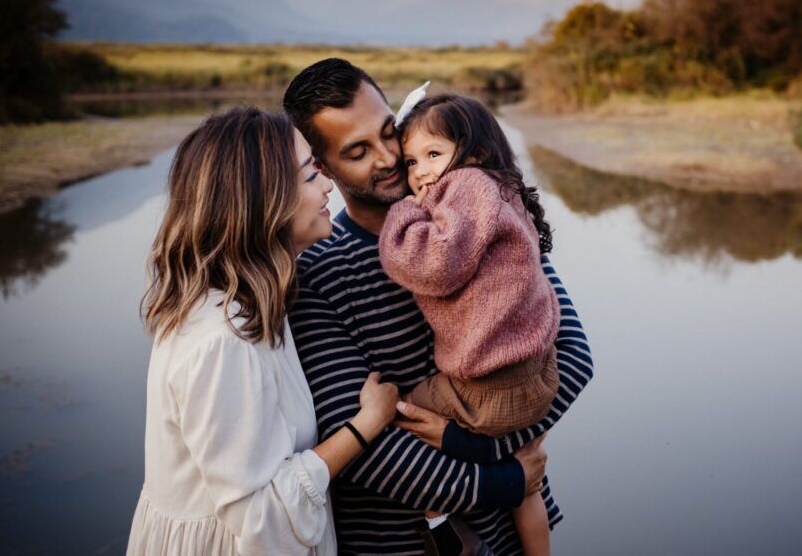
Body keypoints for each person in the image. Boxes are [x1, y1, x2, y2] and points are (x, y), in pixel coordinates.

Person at [283, 59, 594, 555]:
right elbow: (364, 449)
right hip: (403, 542)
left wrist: (476, 446)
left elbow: (573, 355)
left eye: (389, 133)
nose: (388, 158)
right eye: (358, 151)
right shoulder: (316, 274)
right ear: (321, 167)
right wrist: (506, 477)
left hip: (508, 534)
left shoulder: (474, 206)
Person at [126, 108, 400, 556]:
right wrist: (367, 423)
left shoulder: (247, 299)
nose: (329, 183)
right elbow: (260, 518)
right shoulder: (224, 341)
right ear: (264, 200)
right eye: (312, 175)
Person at [378, 93, 560, 555]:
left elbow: (434, 263)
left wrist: (400, 211)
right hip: (537, 376)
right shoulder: (500, 190)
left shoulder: (467, 187)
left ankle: (443, 528)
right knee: (530, 486)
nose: (419, 172)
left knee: (397, 418)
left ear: (475, 151)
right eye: (411, 161)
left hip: (485, 389)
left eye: (433, 154)